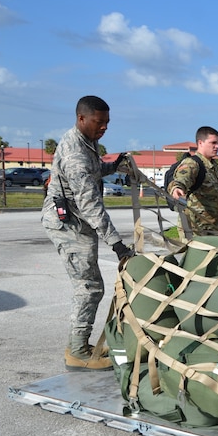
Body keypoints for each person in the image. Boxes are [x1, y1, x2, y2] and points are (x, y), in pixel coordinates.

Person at [41, 95, 133, 371]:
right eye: (99, 122)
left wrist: (114, 165)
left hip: (79, 221)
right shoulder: (75, 155)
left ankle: (81, 345)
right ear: (81, 118)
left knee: (91, 286)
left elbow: (94, 172)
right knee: (90, 287)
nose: (104, 127)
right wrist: (117, 245)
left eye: (107, 122)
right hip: (69, 224)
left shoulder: (87, 142)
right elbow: (90, 204)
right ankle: (78, 351)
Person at [168, 126, 218, 237]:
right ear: (200, 143)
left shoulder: (213, 166)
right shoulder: (192, 164)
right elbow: (181, 178)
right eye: (213, 143)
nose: (217, 146)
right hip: (196, 230)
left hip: (214, 227)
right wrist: (177, 188)